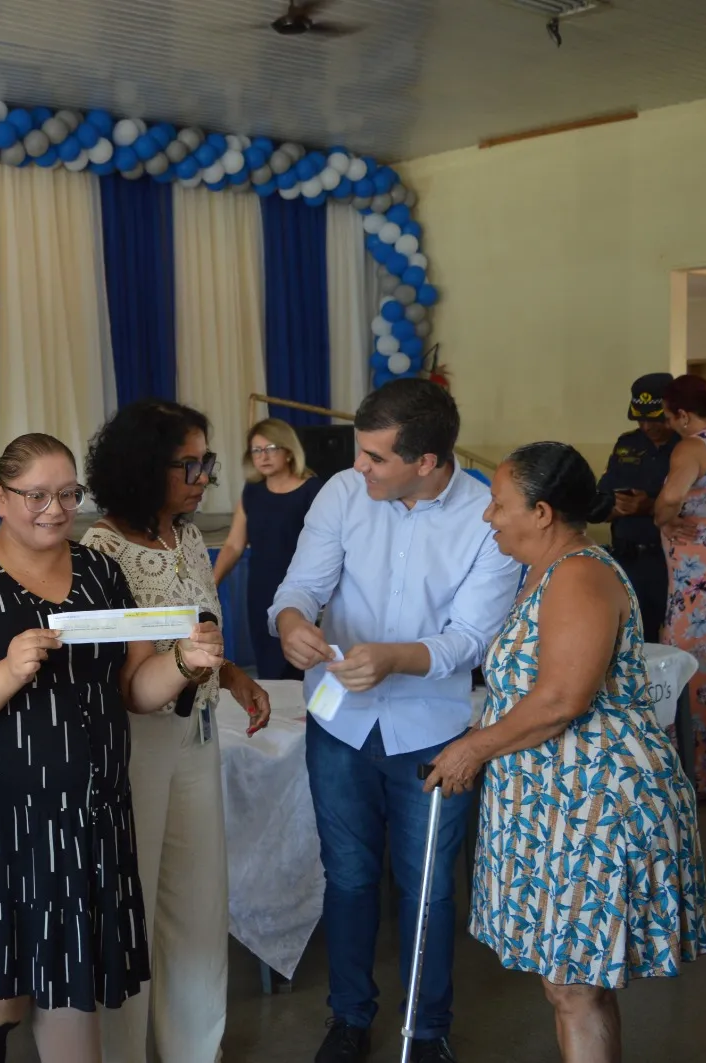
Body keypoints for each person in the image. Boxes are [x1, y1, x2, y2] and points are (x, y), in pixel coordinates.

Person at [0, 432, 228, 1063]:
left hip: (88, 818)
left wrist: (185, 665)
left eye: (66, 494)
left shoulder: (100, 571)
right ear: (1, 497)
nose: (53, 510)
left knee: (70, 987)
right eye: (35, 495)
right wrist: (8, 671)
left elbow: (136, 689)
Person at [429, 441, 706, 1063]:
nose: (488, 515)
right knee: (571, 987)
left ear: (542, 512)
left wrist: (473, 748)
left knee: (574, 987)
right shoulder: (545, 571)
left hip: (591, 802)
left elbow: (562, 698)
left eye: (499, 503)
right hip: (554, 799)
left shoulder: (580, 573)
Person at [270, 378, 521, 1063]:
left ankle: (427, 1028)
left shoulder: (486, 517)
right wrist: (291, 622)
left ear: (427, 461)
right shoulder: (342, 493)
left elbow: (472, 639)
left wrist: (394, 658)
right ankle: (349, 1017)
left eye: (376, 457)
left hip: (432, 730)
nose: (360, 466)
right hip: (339, 723)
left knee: (428, 887)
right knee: (348, 876)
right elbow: (302, 585)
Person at [81, 400, 271, 1063]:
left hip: (197, 732)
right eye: (188, 464)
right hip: (136, 742)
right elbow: (115, 675)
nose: (203, 477)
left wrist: (234, 675)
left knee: (197, 899)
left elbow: (198, 630)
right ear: (142, 467)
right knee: (132, 902)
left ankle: (196, 1046)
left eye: (205, 462)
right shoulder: (103, 549)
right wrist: (186, 668)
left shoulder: (186, 536)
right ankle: (122, 1051)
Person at [213, 417, 323, 680]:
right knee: (269, 667)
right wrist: (211, 582)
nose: (263, 456)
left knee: (302, 665)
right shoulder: (252, 491)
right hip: (260, 590)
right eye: (256, 450)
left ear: (289, 451)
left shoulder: (313, 490)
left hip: (304, 589)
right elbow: (234, 544)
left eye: (270, 448)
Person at [653, 373, 706, 797]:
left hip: (697, 585)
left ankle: (697, 775)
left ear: (682, 415)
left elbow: (672, 497)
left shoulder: (693, 446)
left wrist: (663, 516)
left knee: (692, 667)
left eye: (668, 416)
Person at [595, 373, 677, 641]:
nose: (647, 426)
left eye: (655, 419)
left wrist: (651, 506)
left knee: (676, 640)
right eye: (640, 420)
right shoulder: (627, 445)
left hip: (671, 562)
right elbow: (600, 500)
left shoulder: (689, 446)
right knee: (631, 639)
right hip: (628, 560)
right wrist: (615, 508)